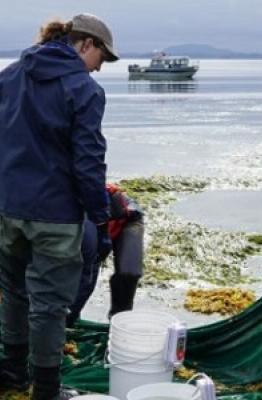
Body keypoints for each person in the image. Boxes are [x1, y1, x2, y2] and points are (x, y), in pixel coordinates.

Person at [0, 13, 118, 400]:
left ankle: (13, 372)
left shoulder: (11, 74)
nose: (100, 68)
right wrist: (100, 221)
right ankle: (47, 391)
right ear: (86, 44)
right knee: (49, 306)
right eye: (102, 57)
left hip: (8, 208)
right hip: (55, 215)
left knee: (15, 292)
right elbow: (88, 163)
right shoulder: (83, 89)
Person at [66, 184, 144, 328]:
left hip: (127, 221)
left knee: (129, 273)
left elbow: (86, 279)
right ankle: (71, 321)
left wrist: (67, 314)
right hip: (95, 227)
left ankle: (120, 323)